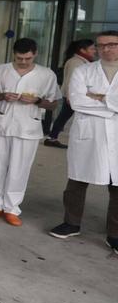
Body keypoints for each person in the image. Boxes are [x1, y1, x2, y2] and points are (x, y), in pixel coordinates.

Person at [48, 30, 118, 252]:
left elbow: (89, 101)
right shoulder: (83, 71)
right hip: (89, 135)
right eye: (101, 45)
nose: (106, 49)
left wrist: (100, 97)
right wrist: (112, 106)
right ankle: (71, 223)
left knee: (117, 186)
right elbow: (76, 101)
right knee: (77, 181)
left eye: (112, 44)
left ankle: (114, 234)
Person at [0, 38, 61, 226]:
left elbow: (54, 103)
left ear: (35, 54)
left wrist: (36, 101)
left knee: (20, 168)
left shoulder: (46, 75)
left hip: (28, 127)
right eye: (19, 58)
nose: (23, 62)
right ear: (13, 54)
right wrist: (2, 96)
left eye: (27, 58)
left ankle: (11, 208)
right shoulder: (0, 71)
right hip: (1, 122)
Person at [46, 39, 97, 148]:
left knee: (64, 116)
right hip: (73, 96)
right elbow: (71, 80)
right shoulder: (76, 62)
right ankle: (52, 137)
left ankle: (52, 137)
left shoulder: (82, 61)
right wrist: (70, 96)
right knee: (67, 116)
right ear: (83, 50)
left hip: (75, 95)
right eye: (92, 48)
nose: (94, 51)